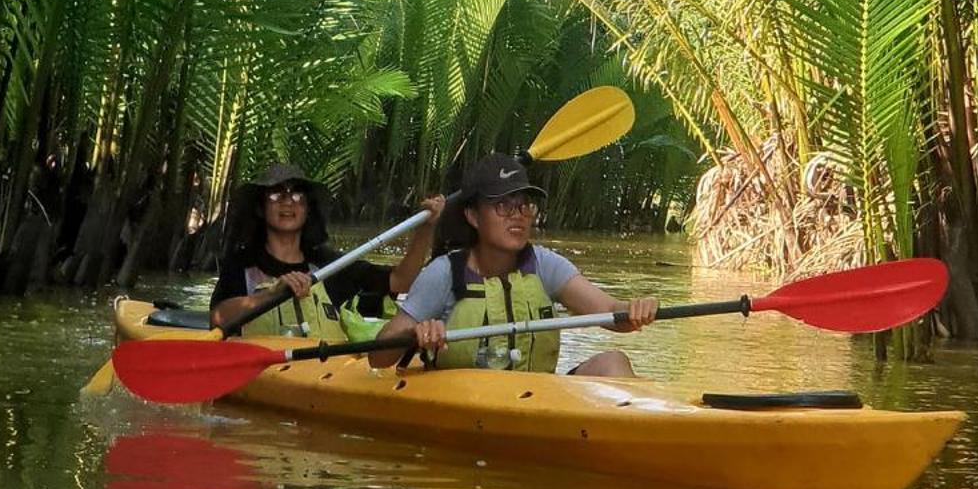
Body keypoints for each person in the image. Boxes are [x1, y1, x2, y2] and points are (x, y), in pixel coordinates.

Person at [372, 153, 658, 376]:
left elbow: (609, 311)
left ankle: (655, 432)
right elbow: (378, 356)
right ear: (473, 216)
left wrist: (634, 310)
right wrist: (415, 334)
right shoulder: (444, 273)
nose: (518, 215)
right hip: (464, 399)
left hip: (534, 396)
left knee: (613, 361)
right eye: (503, 206)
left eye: (524, 205)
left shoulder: (544, 265)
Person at [208, 162, 441, 340]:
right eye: (276, 194)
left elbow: (401, 282)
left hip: (320, 374)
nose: (288, 202)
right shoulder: (243, 262)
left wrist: (425, 230)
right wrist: (270, 295)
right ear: (260, 208)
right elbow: (218, 317)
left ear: (308, 209)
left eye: (297, 195)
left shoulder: (329, 265)